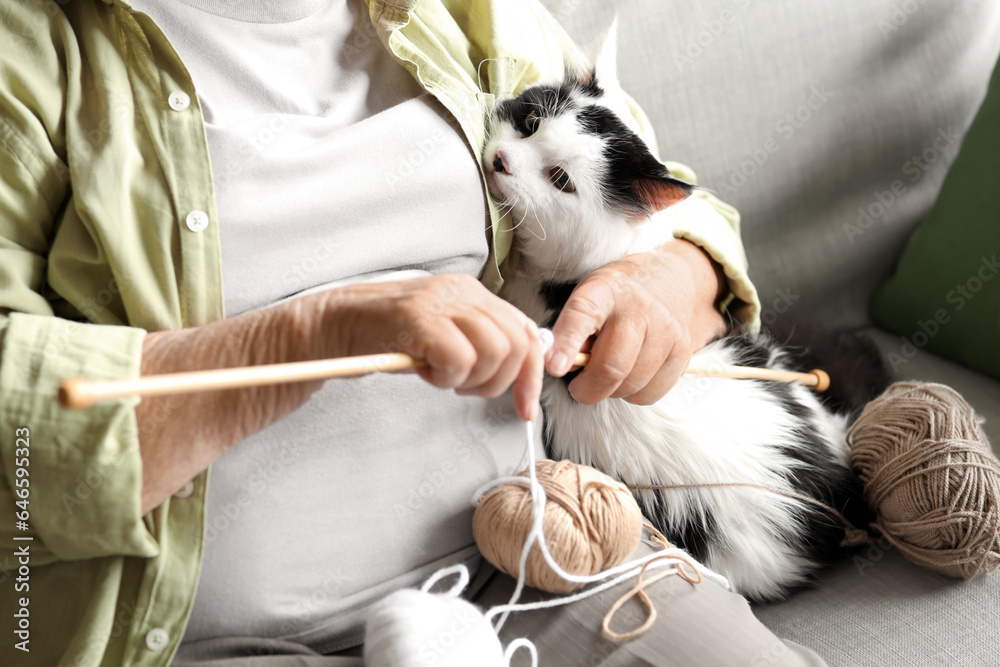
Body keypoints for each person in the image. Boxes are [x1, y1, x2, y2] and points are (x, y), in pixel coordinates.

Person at [0, 0, 824, 664]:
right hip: (209, 640)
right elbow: (21, 462)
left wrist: (664, 281)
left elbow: (675, 210)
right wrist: (307, 336)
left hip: (546, 556)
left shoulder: (468, 15)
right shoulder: (28, 53)